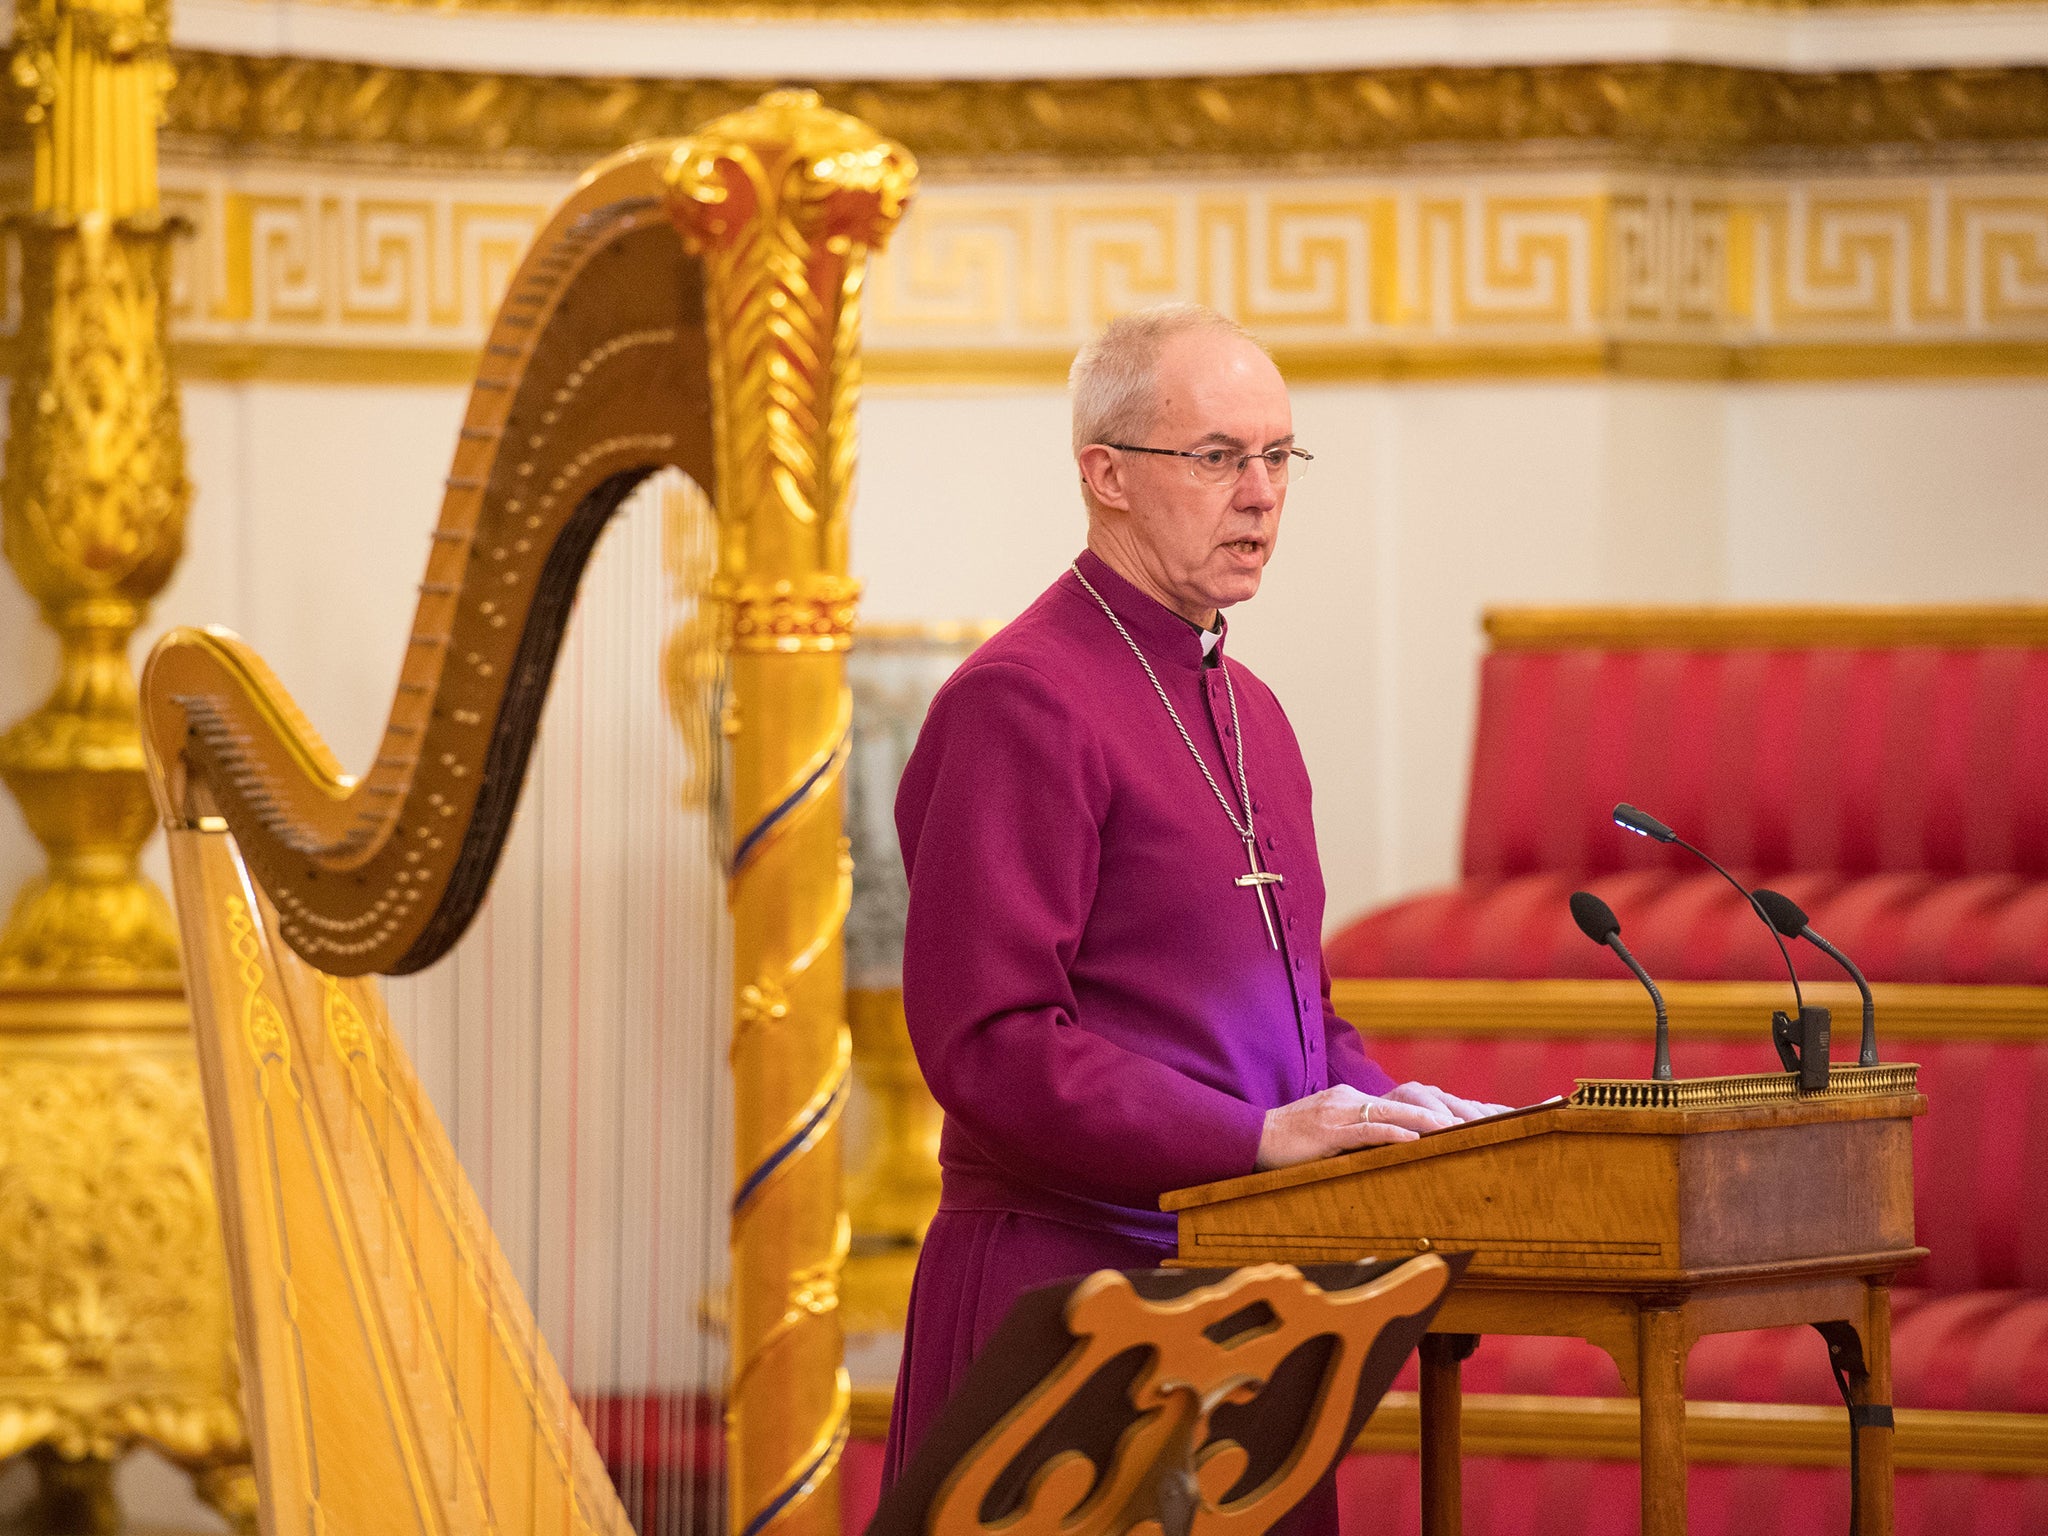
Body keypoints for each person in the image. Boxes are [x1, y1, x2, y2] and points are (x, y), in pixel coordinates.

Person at [881, 303, 1508, 1528]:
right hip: (1072, 1288)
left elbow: (1293, 1013)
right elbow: (990, 1042)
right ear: (1103, 475)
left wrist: (1396, 1119)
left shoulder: (1252, 712)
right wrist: (1252, 1139)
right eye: (1217, 457)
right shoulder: (1020, 701)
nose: (1261, 494)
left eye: (1278, 457)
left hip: (1251, 1296)